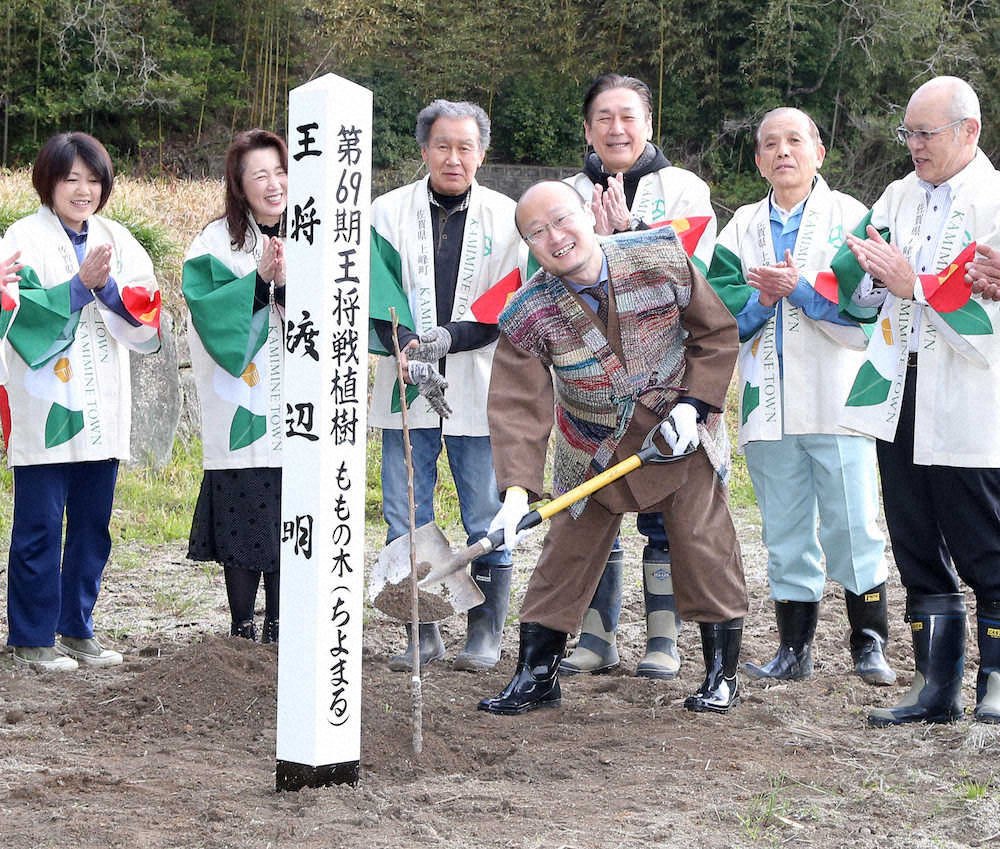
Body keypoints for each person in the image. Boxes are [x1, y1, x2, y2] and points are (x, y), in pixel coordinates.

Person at [479, 180, 747, 717]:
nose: (555, 237)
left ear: (587, 213)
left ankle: (722, 673)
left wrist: (695, 406)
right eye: (536, 232)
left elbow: (715, 334)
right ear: (527, 246)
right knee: (566, 552)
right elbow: (517, 407)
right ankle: (537, 673)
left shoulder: (660, 255)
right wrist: (514, 494)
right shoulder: (527, 312)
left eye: (561, 219)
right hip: (592, 444)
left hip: (677, 432)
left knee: (702, 539)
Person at [708, 107, 894, 687]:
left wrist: (802, 292)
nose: (782, 152)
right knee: (784, 526)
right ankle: (795, 647)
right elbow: (719, 311)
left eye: (795, 140)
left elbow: (867, 305)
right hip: (767, 399)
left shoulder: (853, 218)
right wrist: (765, 300)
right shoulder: (739, 225)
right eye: (769, 144)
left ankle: (868, 642)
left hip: (837, 394)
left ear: (819, 151)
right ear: (758, 160)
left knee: (852, 521)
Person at [836, 76, 1000, 725]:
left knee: (984, 538)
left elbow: (983, 307)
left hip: (968, 393)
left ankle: (996, 680)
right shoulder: (897, 195)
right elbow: (858, 279)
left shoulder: (994, 198)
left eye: (925, 133)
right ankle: (937, 685)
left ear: (970, 131)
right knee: (912, 536)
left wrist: (916, 286)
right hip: (897, 388)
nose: (913, 145)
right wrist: (873, 279)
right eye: (907, 133)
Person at [560, 74, 717, 680]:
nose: (616, 129)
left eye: (628, 117)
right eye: (603, 118)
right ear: (587, 128)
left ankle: (663, 635)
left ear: (649, 124)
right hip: (587, 381)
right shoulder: (567, 193)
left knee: (660, 506)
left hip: (663, 376)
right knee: (592, 502)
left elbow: (689, 280)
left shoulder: (686, 191)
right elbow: (546, 274)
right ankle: (597, 637)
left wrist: (625, 240)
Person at [369, 100, 527, 672]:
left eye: (465, 147)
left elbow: (512, 300)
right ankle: (422, 629)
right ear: (424, 150)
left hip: (479, 382)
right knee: (403, 510)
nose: (453, 158)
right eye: (442, 146)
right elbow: (370, 287)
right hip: (403, 382)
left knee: (484, 513)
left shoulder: (508, 218)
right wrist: (409, 346)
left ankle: (485, 630)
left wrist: (450, 338)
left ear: (482, 153)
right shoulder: (384, 214)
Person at [0, 132, 161, 670]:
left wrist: (106, 288)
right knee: (40, 525)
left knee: (93, 525)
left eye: (93, 180)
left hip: (101, 404)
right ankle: (30, 636)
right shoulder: (20, 238)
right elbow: (13, 313)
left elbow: (147, 307)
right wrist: (76, 287)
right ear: (48, 181)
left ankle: (76, 627)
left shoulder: (118, 238)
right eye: (71, 179)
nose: (83, 190)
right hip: (45, 404)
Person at [182, 129, 287, 644]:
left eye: (281, 170)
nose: (274, 184)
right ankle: (243, 627)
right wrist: (261, 283)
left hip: (299, 400)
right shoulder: (216, 241)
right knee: (247, 504)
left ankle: (281, 623)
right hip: (243, 397)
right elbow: (207, 309)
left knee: (295, 516)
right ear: (239, 186)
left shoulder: (321, 232)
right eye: (260, 175)